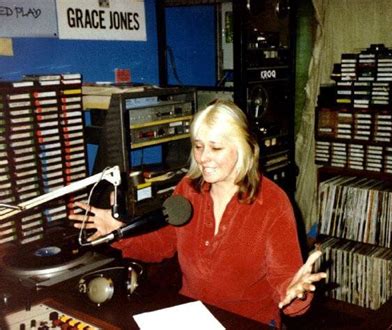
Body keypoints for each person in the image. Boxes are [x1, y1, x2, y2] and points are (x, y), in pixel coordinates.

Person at [70, 99, 326, 327]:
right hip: (192, 317)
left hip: (248, 322)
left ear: (242, 148)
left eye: (215, 148)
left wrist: (297, 293)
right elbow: (161, 244)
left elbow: (287, 287)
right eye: (198, 146)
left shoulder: (272, 202)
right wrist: (118, 232)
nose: (203, 158)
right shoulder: (188, 190)